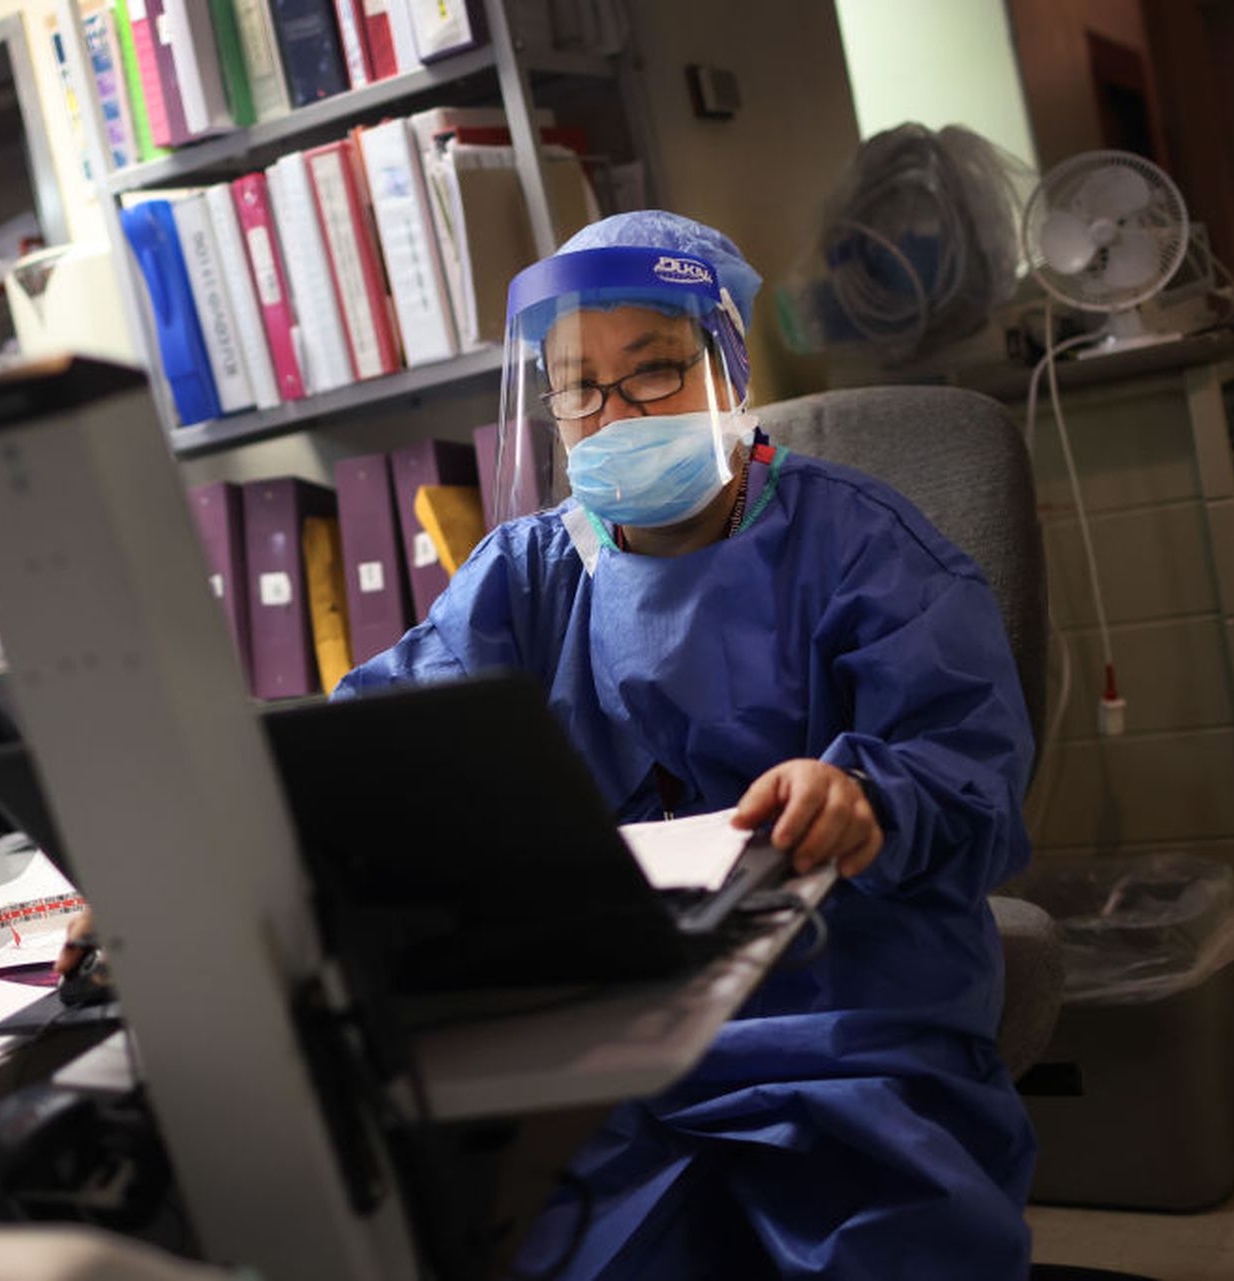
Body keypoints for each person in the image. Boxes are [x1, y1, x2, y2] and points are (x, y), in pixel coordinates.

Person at [337, 212, 1037, 1278]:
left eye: (654, 372)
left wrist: (860, 793)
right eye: (578, 385)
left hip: (839, 1017)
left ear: (730, 363)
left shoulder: (865, 548)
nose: (613, 415)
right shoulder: (527, 575)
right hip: (597, 1031)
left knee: (886, 1246)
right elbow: (369, 749)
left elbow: (967, 768)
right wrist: (199, 867)